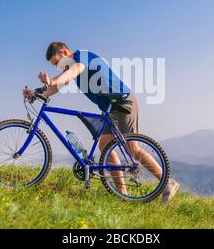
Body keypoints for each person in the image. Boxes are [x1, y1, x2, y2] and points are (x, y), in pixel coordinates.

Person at [23, 41, 180, 202]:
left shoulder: (81, 57)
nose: (58, 67)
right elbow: (57, 85)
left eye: (57, 63)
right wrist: (37, 93)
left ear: (64, 52)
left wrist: (52, 80)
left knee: (132, 150)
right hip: (111, 108)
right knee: (104, 145)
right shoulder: (70, 70)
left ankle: (168, 182)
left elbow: (76, 69)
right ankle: (122, 194)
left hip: (123, 102)